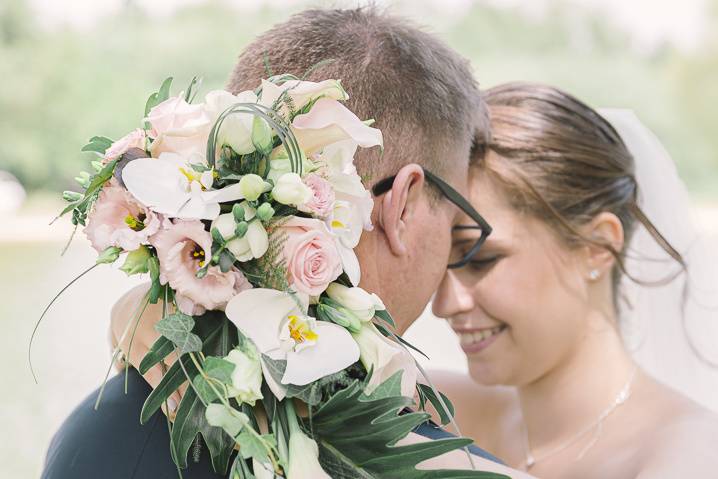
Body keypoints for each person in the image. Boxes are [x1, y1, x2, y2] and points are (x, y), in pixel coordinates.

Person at [42, 7, 528, 479]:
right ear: (402, 205)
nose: (450, 288)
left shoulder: (91, 430)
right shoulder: (429, 465)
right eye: (458, 226)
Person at [431, 82, 718, 479]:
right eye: (437, 265)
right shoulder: (436, 409)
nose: (444, 304)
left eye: (481, 259)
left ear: (596, 245)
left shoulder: (686, 458)